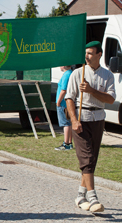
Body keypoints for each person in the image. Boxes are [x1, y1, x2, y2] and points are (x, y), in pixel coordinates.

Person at [65, 41, 116, 213]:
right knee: (86, 158)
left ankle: (80, 195)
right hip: (81, 119)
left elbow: (110, 99)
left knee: (92, 159)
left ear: (99, 54)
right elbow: (69, 98)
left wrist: (92, 90)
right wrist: (73, 120)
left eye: (90, 53)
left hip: (98, 118)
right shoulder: (77, 73)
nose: (86, 56)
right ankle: (93, 197)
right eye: (85, 53)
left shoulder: (108, 75)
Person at [55, 65, 73, 151]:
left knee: (65, 123)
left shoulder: (66, 75)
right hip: (68, 102)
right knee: (69, 123)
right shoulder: (71, 73)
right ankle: (69, 142)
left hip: (63, 103)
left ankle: (66, 144)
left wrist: (58, 101)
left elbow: (63, 90)